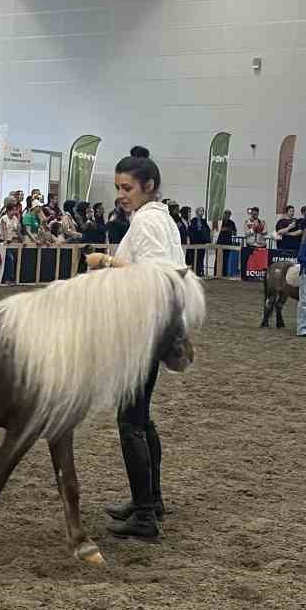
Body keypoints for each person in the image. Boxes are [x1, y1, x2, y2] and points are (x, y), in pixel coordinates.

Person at [85, 147, 185, 543]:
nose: (121, 194)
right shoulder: (160, 220)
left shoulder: (146, 224)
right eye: (118, 188)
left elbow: (154, 274)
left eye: (127, 187)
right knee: (142, 420)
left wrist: (105, 262)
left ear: (149, 186)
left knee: (130, 423)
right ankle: (151, 501)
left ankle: (145, 514)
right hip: (153, 328)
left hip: (140, 331)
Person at [187, 207, 212, 276]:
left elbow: (207, 230)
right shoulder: (193, 220)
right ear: (196, 212)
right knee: (194, 257)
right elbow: (191, 230)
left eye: (202, 211)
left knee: (201, 257)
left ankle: (199, 271)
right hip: (195, 241)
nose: (201, 212)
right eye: (200, 211)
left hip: (202, 242)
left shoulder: (204, 221)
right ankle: (193, 271)